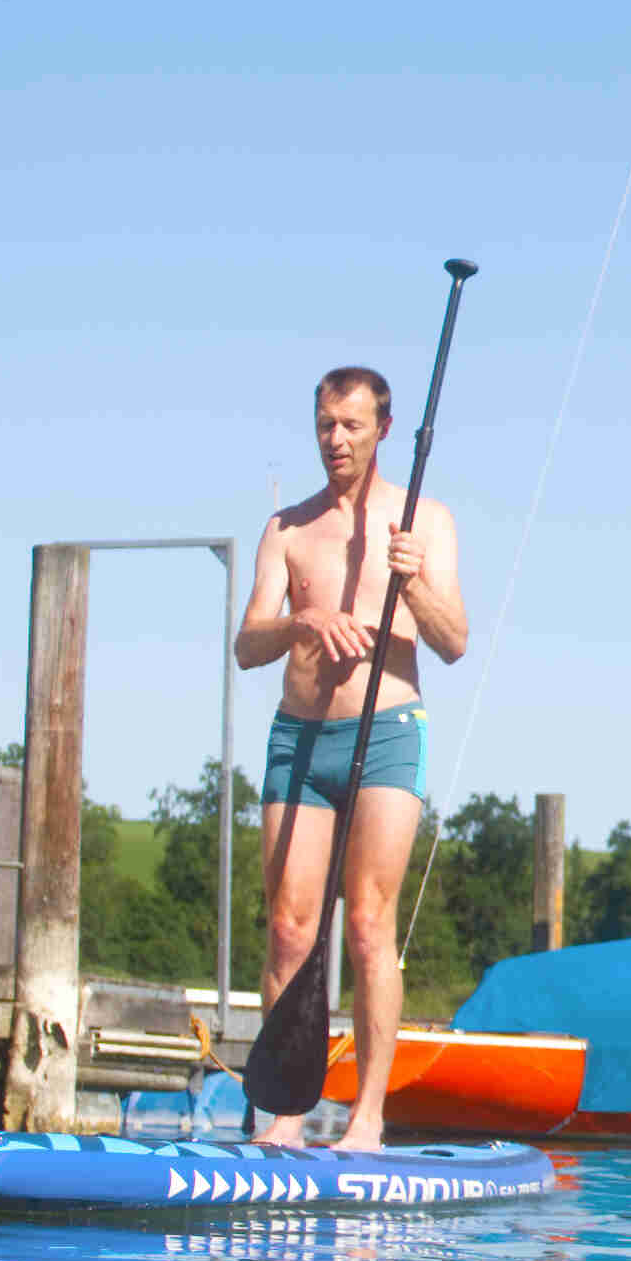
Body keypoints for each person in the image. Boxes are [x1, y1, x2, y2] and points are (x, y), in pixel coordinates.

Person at [238, 362, 466, 1150]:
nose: (336, 440)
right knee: (291, 929)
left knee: (369, 925)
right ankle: (290, 1113)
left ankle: (367, 1118)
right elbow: (246, 644)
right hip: (299, 738)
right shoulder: (289, 529)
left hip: (389, 736)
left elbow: (455, 641)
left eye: (351, 427)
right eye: (326, 426)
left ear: (383, 431)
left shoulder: (424, 522)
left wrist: (412, 587)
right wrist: (304, 624)